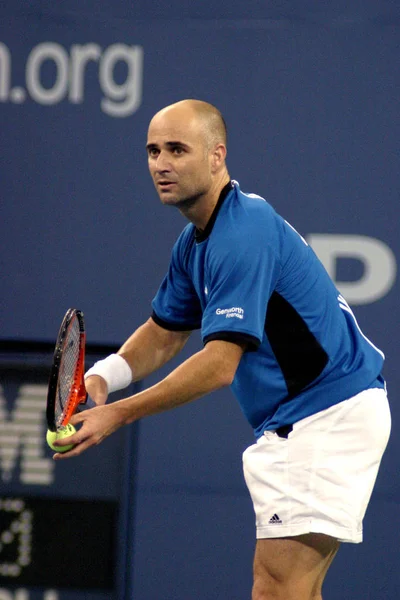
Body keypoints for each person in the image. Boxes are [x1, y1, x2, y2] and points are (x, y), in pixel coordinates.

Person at [53, 99, 391, 600]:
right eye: (152, 151)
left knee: (277, 589)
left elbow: (218, 366)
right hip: (314, 418)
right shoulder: (195, 242)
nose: (161, 164)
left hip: (326, 416)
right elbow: (165, 330)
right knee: (292, 590)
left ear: (216, 155)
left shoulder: (243, 231)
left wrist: (117, 415)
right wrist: (105, 376)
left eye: (176, 149)